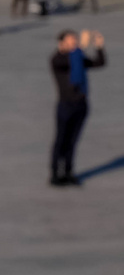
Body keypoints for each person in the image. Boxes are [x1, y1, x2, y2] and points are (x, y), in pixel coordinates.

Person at [50, 30, 106, 186]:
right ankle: (55, 173)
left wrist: (99, 47)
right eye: (71, 41)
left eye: (75, 41)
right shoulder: (58, 59)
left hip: (81, 105)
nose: (74, 44)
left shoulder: (77, 57)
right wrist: (81, 46)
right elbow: (71, 60)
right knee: (61, 139)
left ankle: (68, 172)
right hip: (65, 106)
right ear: (61, 43)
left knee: (73, 140)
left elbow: (98, 63)